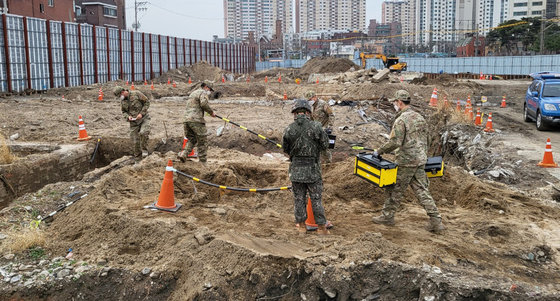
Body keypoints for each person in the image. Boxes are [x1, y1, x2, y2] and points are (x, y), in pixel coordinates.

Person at [372, 90, 445, 234]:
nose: (394, 105)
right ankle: (436, 222)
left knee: (394, 189)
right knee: (422, 190)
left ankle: (388, 216)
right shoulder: (419, 117)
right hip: (420, 160)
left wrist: (379, 151)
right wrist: (421, 153)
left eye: (395, 102)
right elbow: (428, 139)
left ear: (399, 102)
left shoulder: (401, 120)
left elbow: (395, 141)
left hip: (406, 161)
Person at [282, 99, 330, 235]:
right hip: (313, 171)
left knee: (299, 199)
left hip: (296, 171)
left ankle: (302, 226)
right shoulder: (317, 126)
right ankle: (321, 228)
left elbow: (285, 148)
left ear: (295, 113)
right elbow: (325, 145)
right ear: (308, 112)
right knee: (316, 199)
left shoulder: (289, 128)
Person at [178, 82, 216, 164]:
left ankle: (184, 154)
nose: (210, 92)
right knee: (202, 141)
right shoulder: (203, 92)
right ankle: (203, 162)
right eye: (210, 89)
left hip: (186, 120)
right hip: (196, 120)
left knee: (192, 139)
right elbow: (203, 103)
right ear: (206, 87)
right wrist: (211, 112)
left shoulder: (193, 93)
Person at [114, 86, 150, 161]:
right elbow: (124, 112)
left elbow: (147, 102)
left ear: (123, 92)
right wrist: (128, 117)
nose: (120, 97)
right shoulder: (123, 101)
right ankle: (137, 158)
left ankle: (145, 151)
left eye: (120, 95)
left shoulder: (136, 94)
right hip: (133, 122)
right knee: (134, 139)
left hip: (144, 119)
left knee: (143, 133)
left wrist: (141, 113)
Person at [305, 90, 335, 163]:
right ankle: (316, 162)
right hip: (315, 129)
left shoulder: (323, 104)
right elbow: (311, 117)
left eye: (310, 99)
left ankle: (328, 164)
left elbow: (331, 115)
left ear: (315, 97)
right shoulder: (311, 106)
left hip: (324, 129)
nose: (309, 101)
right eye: (308, 100)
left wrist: (329, 127)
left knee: (325, 148)